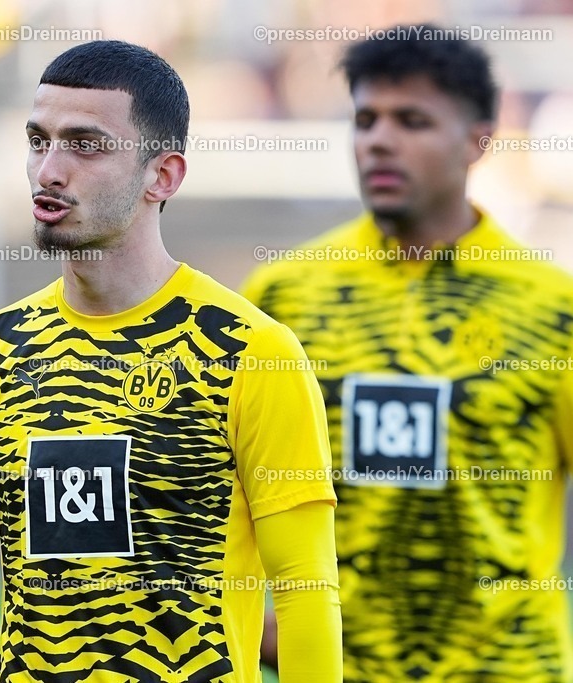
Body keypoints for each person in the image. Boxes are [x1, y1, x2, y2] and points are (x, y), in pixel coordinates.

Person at [0, 40, 343, 682]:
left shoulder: (250, 353)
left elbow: (305, 588)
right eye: (38, 140)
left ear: (162, 176)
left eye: (85, 144)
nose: (49, 170)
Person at [243, 24, 573, 682]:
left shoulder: (552, 307)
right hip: (334, 669)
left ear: (479, 139)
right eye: (365, 119)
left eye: (412, 120)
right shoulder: (283, 296)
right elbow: (229, 484)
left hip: (509, 667)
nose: (379, 140)